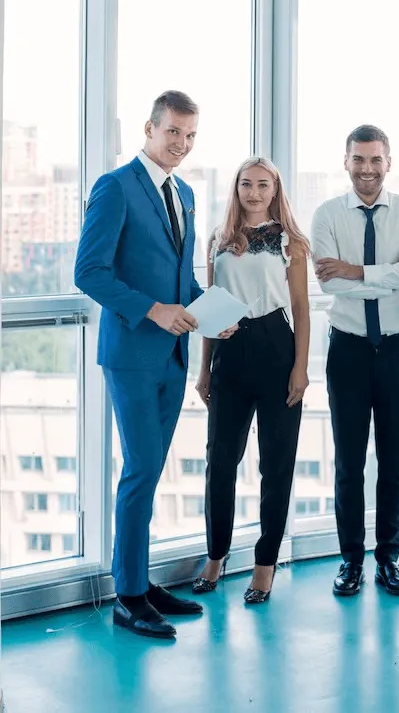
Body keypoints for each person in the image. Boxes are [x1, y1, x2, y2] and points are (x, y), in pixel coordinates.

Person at [74, 90, 232, 639]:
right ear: (149, 128)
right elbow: (88, 272)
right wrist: (153, 310)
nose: (182, 145)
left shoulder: (184, 192)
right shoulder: (114, 188)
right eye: (173, 134)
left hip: (173, 355)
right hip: (133, 354)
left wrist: (211, 314)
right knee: (140, 469)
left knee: (149, 471)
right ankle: (128, 596)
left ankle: (139, 580)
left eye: (190, 136)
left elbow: (181, 281)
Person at [311, 125, 399, 597]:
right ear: (346, 162)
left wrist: (359, 270)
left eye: (375, 160)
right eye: (358, 160)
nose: (367, 169)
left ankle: (389, 559)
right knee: (348, 462)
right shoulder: (326, 215)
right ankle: (350, 561)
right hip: (346, 348)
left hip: (397, 350)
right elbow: (329, 284)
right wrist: (391, 275)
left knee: (393, 462)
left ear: (389, 162)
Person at [192, 157, 310, 604]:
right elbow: (210, 305)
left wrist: (300, 368)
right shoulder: (218, 242)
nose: (255, 192)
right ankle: (216, 555)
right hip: (230, 350)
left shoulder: (291, 242)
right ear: (236, 188)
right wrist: (204, 370)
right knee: (219, 462)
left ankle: (265, 566)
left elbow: (300, 307)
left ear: (276, 189)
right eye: (247, 184)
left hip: (277, 347)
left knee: (275, 466)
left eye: (264, 185)